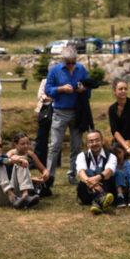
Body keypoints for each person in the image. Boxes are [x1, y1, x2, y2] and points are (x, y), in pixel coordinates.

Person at [45, 46, 89, 185]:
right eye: (68, 62)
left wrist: (83, 89)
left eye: (73, 62)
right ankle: (49, 176)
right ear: (62, 59)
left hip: (77, 111)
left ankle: (72, 174)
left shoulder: (81, 69)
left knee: (76, 146)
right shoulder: (54, 70)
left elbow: (89, 87)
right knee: (55, 145)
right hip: (60, 111)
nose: (71, 65)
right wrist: (61, 89)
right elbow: (47, 89)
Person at [0, 136, 40, 209]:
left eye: (0, 146)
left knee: (20, 163)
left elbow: (25, 160)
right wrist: (10, 160)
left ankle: (25, 196)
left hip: (13, 194)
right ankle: (12, 198)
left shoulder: (4, 156)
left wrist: (20, 158)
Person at [75, 130, 116, 214]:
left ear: (102, 141)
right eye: (91, 141)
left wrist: (95, 179)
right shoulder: (81, 156)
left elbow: (108, 173)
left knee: (99, 170)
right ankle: (100, 198)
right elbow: (81, 173)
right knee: (88, 171)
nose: (94, 144)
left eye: (97, 140)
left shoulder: (111, 156)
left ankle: (96, 201)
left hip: (106, 187)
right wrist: (90, 182)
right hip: (86, 192)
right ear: (87, 144)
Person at [5, 132, 49, 198]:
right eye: (22, 144)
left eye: (27, 143)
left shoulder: (30, 154)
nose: (26, 146)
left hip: (26, 181)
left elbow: (43, 169)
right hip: (13, 183)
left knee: (49, 182)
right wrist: (32, 179)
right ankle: (25, 195)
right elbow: (7, 176)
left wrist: (45, 175)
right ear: (15, 144)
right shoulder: (10, 154)